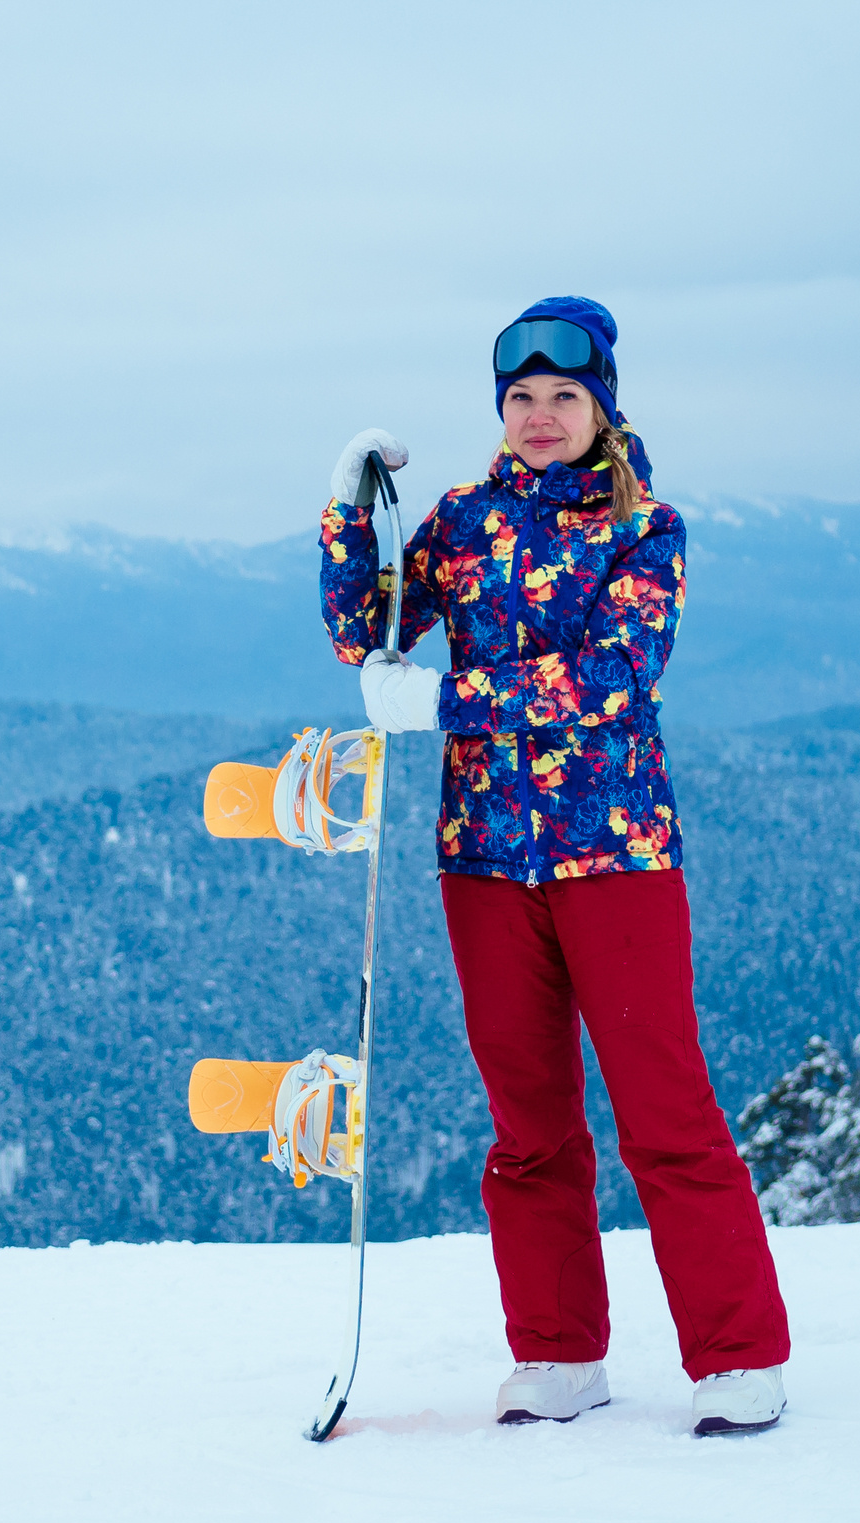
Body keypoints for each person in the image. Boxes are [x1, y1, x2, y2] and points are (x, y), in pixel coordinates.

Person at [319, 295, 792, 1433]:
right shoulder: (462, 521)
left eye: (562, 397)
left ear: (602, 407)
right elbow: (366, 630)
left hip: (615, 853)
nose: (538, 416)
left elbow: (616, 677)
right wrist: (348, 513)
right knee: (528, 1123)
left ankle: (737, 1359)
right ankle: (558, 1355)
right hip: (483, 859)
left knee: (662, 1108)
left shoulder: (644, 531)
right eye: (520, 398)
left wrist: (447, 701)